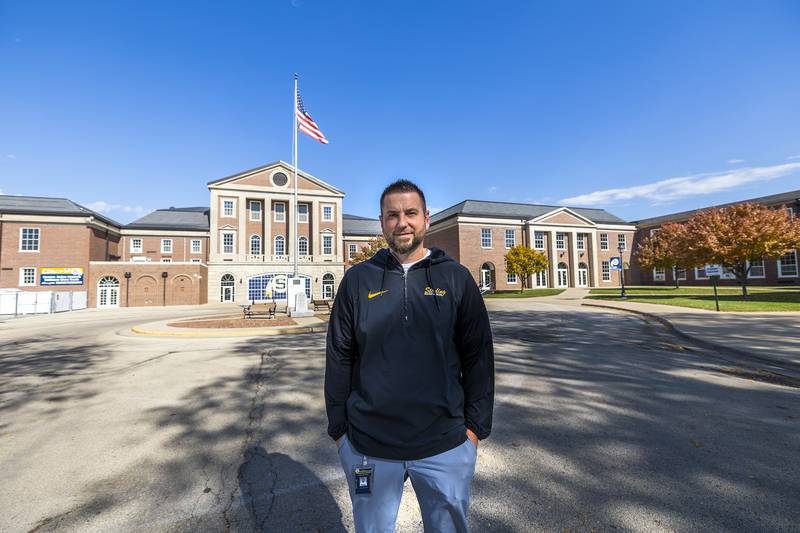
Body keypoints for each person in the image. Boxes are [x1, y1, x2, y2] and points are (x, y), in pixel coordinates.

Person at [325, 179, 494, 532]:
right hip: (370, 444)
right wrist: (340, 432)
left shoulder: (456, 278)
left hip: (444, 445)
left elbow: (477, 357)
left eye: (410, 213)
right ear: (382, 222)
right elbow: (340, 355)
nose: (402, 222)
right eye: (392, 215)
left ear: (426, 219)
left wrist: (475, 431)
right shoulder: (357, 280)